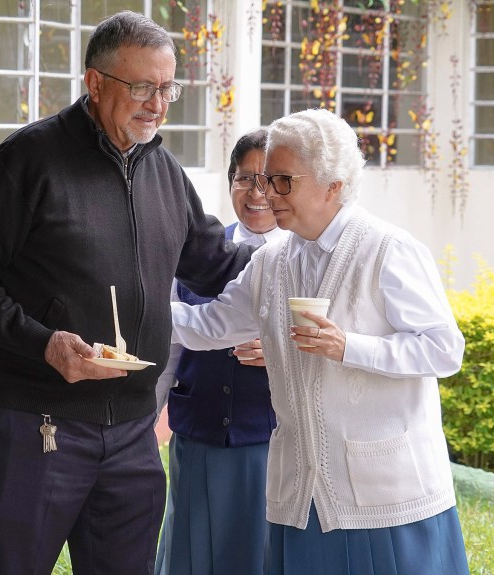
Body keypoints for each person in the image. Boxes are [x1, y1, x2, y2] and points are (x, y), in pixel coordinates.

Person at [0, 10, 253, 575]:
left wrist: (312, 256)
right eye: (142, 87)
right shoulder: (28, 160)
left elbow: (216, 264)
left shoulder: (165, 172)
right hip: (37, 426)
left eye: (167, 88)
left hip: (133, 431)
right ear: (96, 83)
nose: (158, 103)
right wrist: (44, 343)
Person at [170, 108, 471, 575]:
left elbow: (444, 349)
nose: (267, 193)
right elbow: (210, 324)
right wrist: (131, 310)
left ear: (334, 185)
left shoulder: (387, 250)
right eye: (265, 179)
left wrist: (349, 346)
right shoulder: (272, 260)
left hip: (382, 497)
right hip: (299, 494)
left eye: (282, 181)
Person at [155, 129, 287, 575]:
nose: (257, 192)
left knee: (257, 549)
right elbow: (168, 346)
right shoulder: (196, 253)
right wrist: (141, 422)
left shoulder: (302, 261)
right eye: (245, 178)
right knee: (190, 546)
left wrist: (281, 352)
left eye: (269, 179)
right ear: (230, 182)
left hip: (265, 437)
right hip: (197, 431)